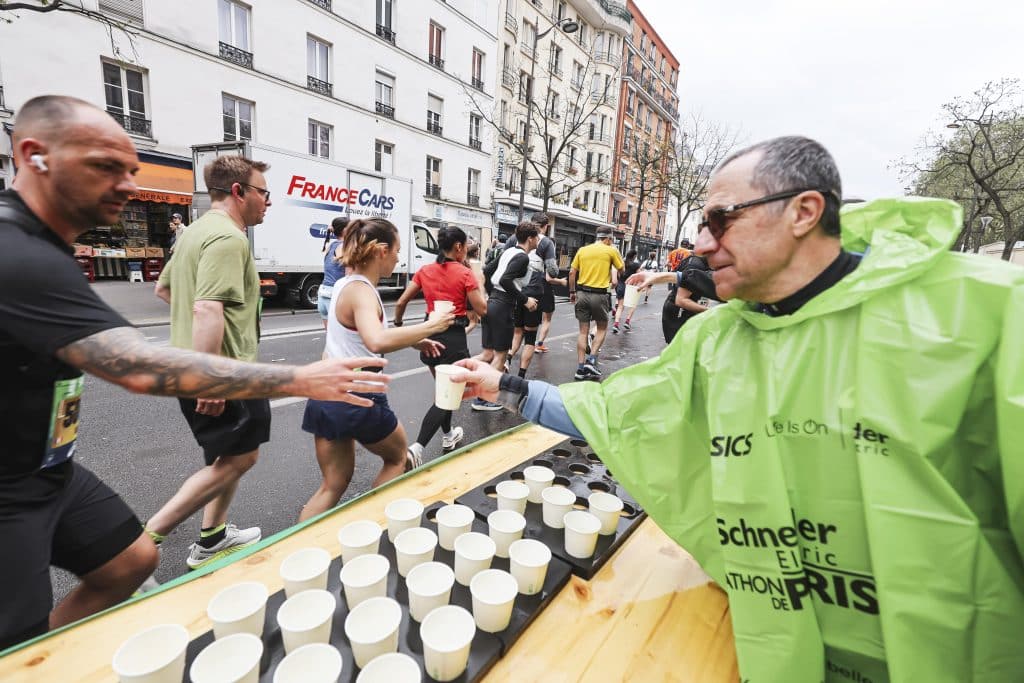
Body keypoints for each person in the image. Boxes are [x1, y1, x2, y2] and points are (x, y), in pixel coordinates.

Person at [449, 135, 1024, 681]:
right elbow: (623, 411)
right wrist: (507, 386)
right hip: (771, 646)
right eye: (702, 224)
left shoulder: (987, 314)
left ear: (803, 211)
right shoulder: (718, 336)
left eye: (721, 219)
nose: (700, 244)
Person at [0, 95, 387, 650]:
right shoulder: (17, 253)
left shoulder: (61, 247)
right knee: (19, 643)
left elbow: (166, 291)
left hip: (47, 465)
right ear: (34, 156)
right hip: (9, 486)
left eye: (131, 170)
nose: (128, 186)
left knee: (132, 559)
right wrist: (298, 379)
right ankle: (40, 657)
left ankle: (54, 649)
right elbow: (134, 364)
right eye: (106, 167)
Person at [146, 155, 277, 571]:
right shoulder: (228, 238)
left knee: (224, 456)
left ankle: (213, 537)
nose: (267, 202)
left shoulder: (193, 233)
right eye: (263, 192)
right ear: (238, 192)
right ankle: (144, 542)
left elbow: (165, 290)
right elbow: (206, 308)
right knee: (242, 458)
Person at [299, 218, 452, 521]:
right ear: (382, 250)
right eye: (396, 251)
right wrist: (431, 325)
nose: (399, 258)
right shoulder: (362, 291)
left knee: (333, 484)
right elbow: (376, 338)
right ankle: (371, 527)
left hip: (327, 391)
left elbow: (356, 336)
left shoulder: (344, 283)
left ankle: (293, 556)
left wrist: (415, 341)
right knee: (398, 458)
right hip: (360, 395)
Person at [394, 227, 487, 460]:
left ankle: (448, 434)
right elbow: (482, 308)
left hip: (428, 335)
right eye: (465, 246)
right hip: (453, 338)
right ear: (458, 247)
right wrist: (478, 283)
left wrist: (399, 324)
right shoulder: (465, 273)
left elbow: (401, 302)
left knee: (444, 390)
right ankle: (417, 449)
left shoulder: (425, 270)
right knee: (448, 396)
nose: (466, 250)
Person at [472, 221, 540, 410]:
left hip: (492, 303)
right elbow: (506, 279)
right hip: (502, 307)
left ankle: (457, 370)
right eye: (538, 237)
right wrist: (525, 300)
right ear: (530, 238)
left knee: (487, 354)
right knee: (500, 356)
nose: (539, 241)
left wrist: (489, 295)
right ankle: (483, 399)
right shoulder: (523, 258)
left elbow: (486, 271)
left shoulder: (507, 252)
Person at [568, 228, 624, 380]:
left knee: (583, 332)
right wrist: (615, 255)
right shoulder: (610, 251)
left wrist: (572, 292)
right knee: (601, 327)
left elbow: (572, 273)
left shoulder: (583, 250)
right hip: (599, 295)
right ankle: (591, 360)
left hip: (581, 293)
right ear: (608, 238)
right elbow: (622, 270)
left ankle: (580, 369)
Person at [509, 213, 562, 353]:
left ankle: (507, 359)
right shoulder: (546, 242)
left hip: (514, 289)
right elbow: (553, 271)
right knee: (530, 337)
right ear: (545, 227)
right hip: (533, 290)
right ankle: (521, 372)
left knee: (517, 331)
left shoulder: (515, 238)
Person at [660, 253, 717, 344]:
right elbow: (681, 300)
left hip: (682, 310)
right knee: (680, 351)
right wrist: (709, 311)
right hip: (679, 312)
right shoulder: (696, 265)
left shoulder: (698, 261)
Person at [317, 216, 348, 330]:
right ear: (345, 230)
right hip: (334, 294)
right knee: (341, 339)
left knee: (331, 339)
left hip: (323, 293)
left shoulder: (330, 245)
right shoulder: (344, 246)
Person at [612, 249, 641, 333]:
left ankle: (616, 324)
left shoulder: (621, 263)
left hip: (621, 285)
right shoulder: (636, 265)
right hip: (631, 287)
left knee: (620, 306)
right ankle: (627, 321)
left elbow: (617, 274)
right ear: (634, 256)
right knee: (633, 305)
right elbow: (639, 276)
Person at [464, 240, 486, 334]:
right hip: (472, 295)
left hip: (463, 295)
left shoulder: (464, 262)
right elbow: (479, 281)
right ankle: (459, 336)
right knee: (472, 323)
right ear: (476, 252)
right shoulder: (476, 264)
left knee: (467, 322)